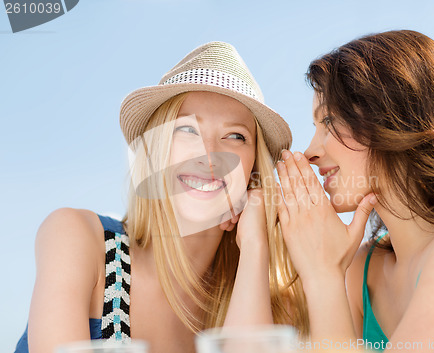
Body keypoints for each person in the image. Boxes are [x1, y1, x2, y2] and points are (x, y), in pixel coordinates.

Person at [15, 42, 307, 353]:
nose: (208, 155)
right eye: (187, 129)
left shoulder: (271, 305)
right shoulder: (79, 239)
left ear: (252, 172)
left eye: (235, 136)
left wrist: (254, 246)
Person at [276, 30, 434, 352]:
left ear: (395, 116)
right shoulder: (361, 271)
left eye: (329, 120)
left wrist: (322, 275)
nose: (310, 152)